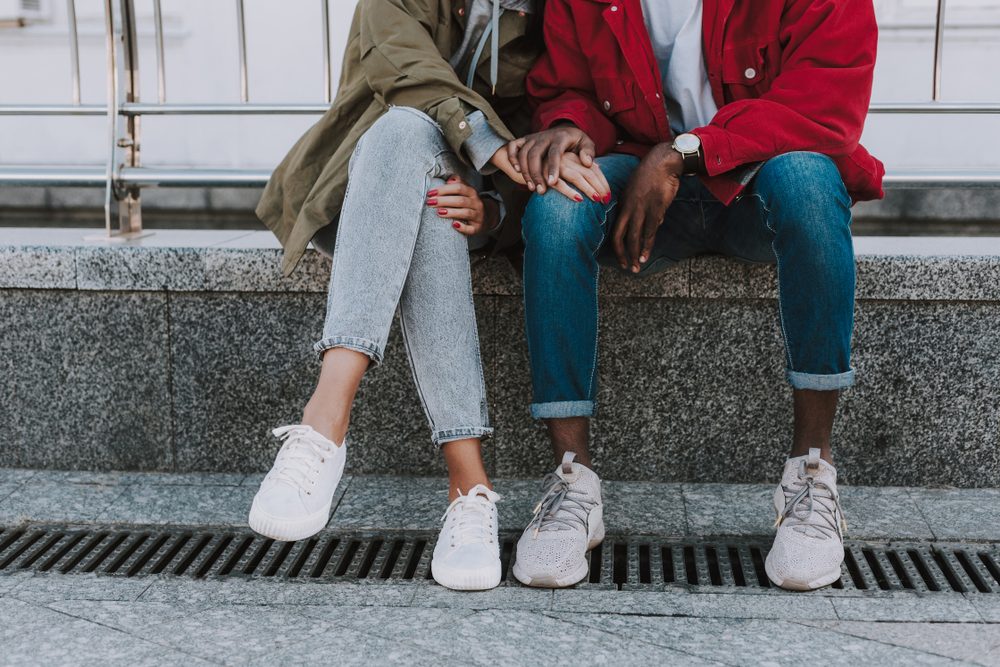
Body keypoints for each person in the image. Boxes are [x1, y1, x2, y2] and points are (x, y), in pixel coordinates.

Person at [505, 0, 885, 591]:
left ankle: (812, 474)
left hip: (756, 185)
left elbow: (823, 108)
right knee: (556, 209)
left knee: (810, 182)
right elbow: (568, 85)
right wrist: (571, 129)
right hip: (644, 196)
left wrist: (688, 151)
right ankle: (570, 481)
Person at [249, 0, 603, 591]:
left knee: (440, 199)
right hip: (368, 192)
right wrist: (485, 145)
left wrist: (490, 205)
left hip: (468, 202)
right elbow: (406, 72)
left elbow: (542, 130)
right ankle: (457, 483)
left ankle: (332, 435)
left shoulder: (554, 13)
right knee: (404, 128)